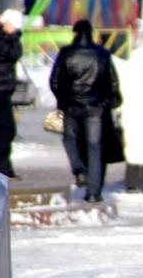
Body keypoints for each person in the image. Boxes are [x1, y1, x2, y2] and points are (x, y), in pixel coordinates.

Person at [50, 19, 122, 203]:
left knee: (69, 139)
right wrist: (108, 100)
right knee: (95, 148)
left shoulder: (66, 53)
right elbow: (112, 82)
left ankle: (79, 169)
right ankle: (93, 192)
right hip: (95, 107)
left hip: (72, 106)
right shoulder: (101, 53)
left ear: (75, 33)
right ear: (91, 33)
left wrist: (64, 99)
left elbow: (55, 81)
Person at [0, 9, 23, 179]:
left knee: (3, 130)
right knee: (8, 131)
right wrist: (14, 35)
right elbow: (14, 53)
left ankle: (4, 168)